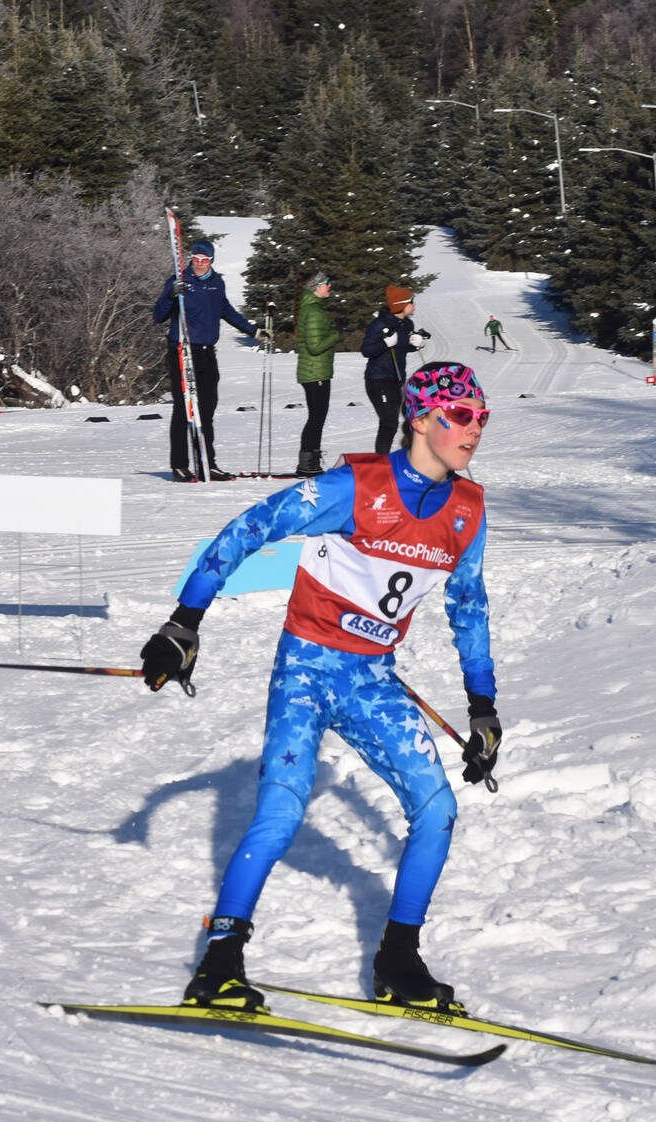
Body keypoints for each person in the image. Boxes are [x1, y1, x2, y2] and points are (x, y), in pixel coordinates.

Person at [138, 360, 502, 1011]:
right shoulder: (355, 487)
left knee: (437, 808)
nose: (475, 429)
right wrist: (183, 623)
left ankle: (399, 959)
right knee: (280, 812)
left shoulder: (466, 511)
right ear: (422, 418)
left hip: (371, 679)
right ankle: (219, 960)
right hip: (307, 666)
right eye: (461, 415)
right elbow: (248, 529)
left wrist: (482, 706)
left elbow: (468, 606)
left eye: (482, 416)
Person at [152, 236, 262, 482]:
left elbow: (227, 311)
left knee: (207, 408)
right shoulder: (180, 282)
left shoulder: (216, 284)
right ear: (191, 258)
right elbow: (157, 316)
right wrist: (170, 296)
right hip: (183, 352)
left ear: (212, 261)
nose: (200, 263)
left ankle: (206, 463)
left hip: (206, 353)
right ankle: (179, 465)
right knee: (184, 409)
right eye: (196, 259)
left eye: (205, 260)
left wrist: (252, 330)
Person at [360, 285, 430, 456]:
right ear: (400, 305)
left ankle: (407, 459)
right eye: (411, 302)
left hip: (397, 379)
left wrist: (415, 344)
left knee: (406, 419)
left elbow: (402, 347)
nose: (414, 305)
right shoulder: (380, 324)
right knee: (389, 422)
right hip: (378, 380)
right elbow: (366, 350)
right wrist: (385, 344)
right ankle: (381, 462)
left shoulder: (407, 323)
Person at [292, 268, 337, 478]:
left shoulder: (314, 309)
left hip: (317, 371)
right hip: (314, 372)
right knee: (316, 418)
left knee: (317, 417)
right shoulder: (313, 312)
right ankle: (307, 463)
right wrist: (335, 335)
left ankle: (311, 461)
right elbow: (315, 346)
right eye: (326, 283)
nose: (329, 286)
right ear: (316, 288)